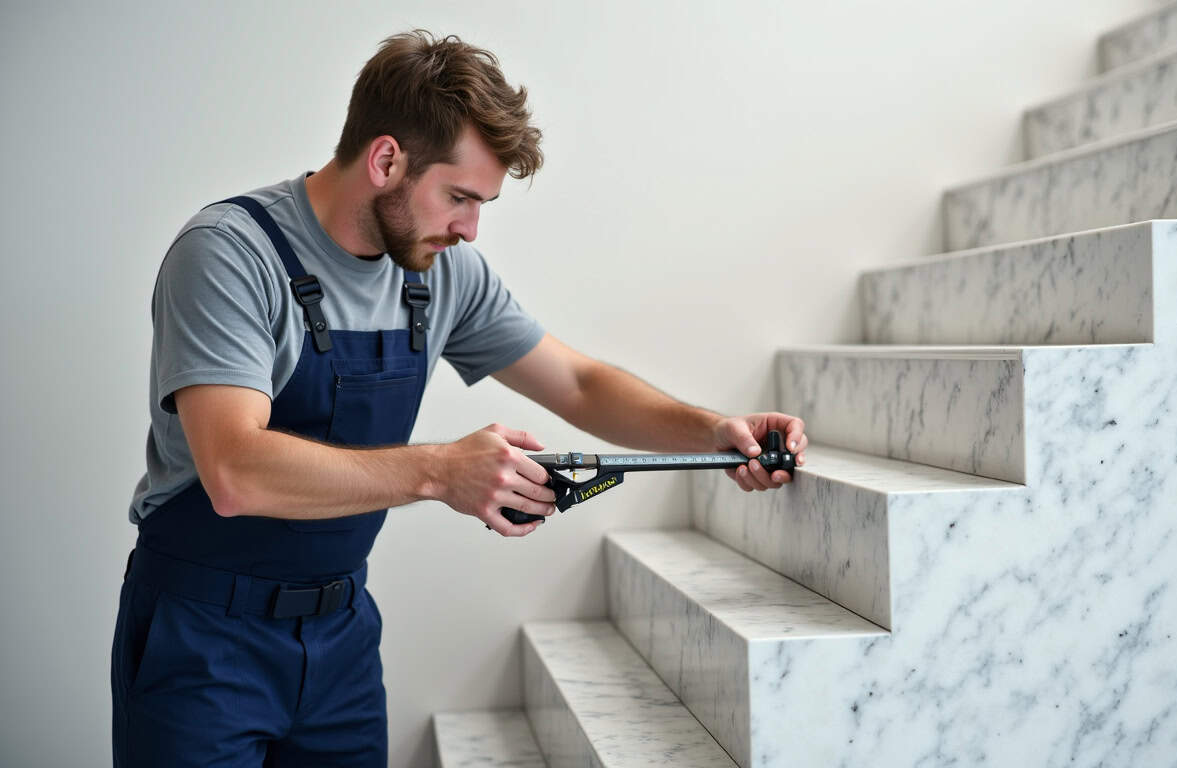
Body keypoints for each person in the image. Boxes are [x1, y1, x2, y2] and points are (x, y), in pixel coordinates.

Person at [112, 29, 809, 767]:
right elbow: (235, 470)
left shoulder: (440, 272)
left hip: (340, 638)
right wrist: (442, 471)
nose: (471, 229)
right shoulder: (228, 254)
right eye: (459, 197)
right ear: (386, 160)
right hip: (203, 640)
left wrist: (712, 430)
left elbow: (577, 383)